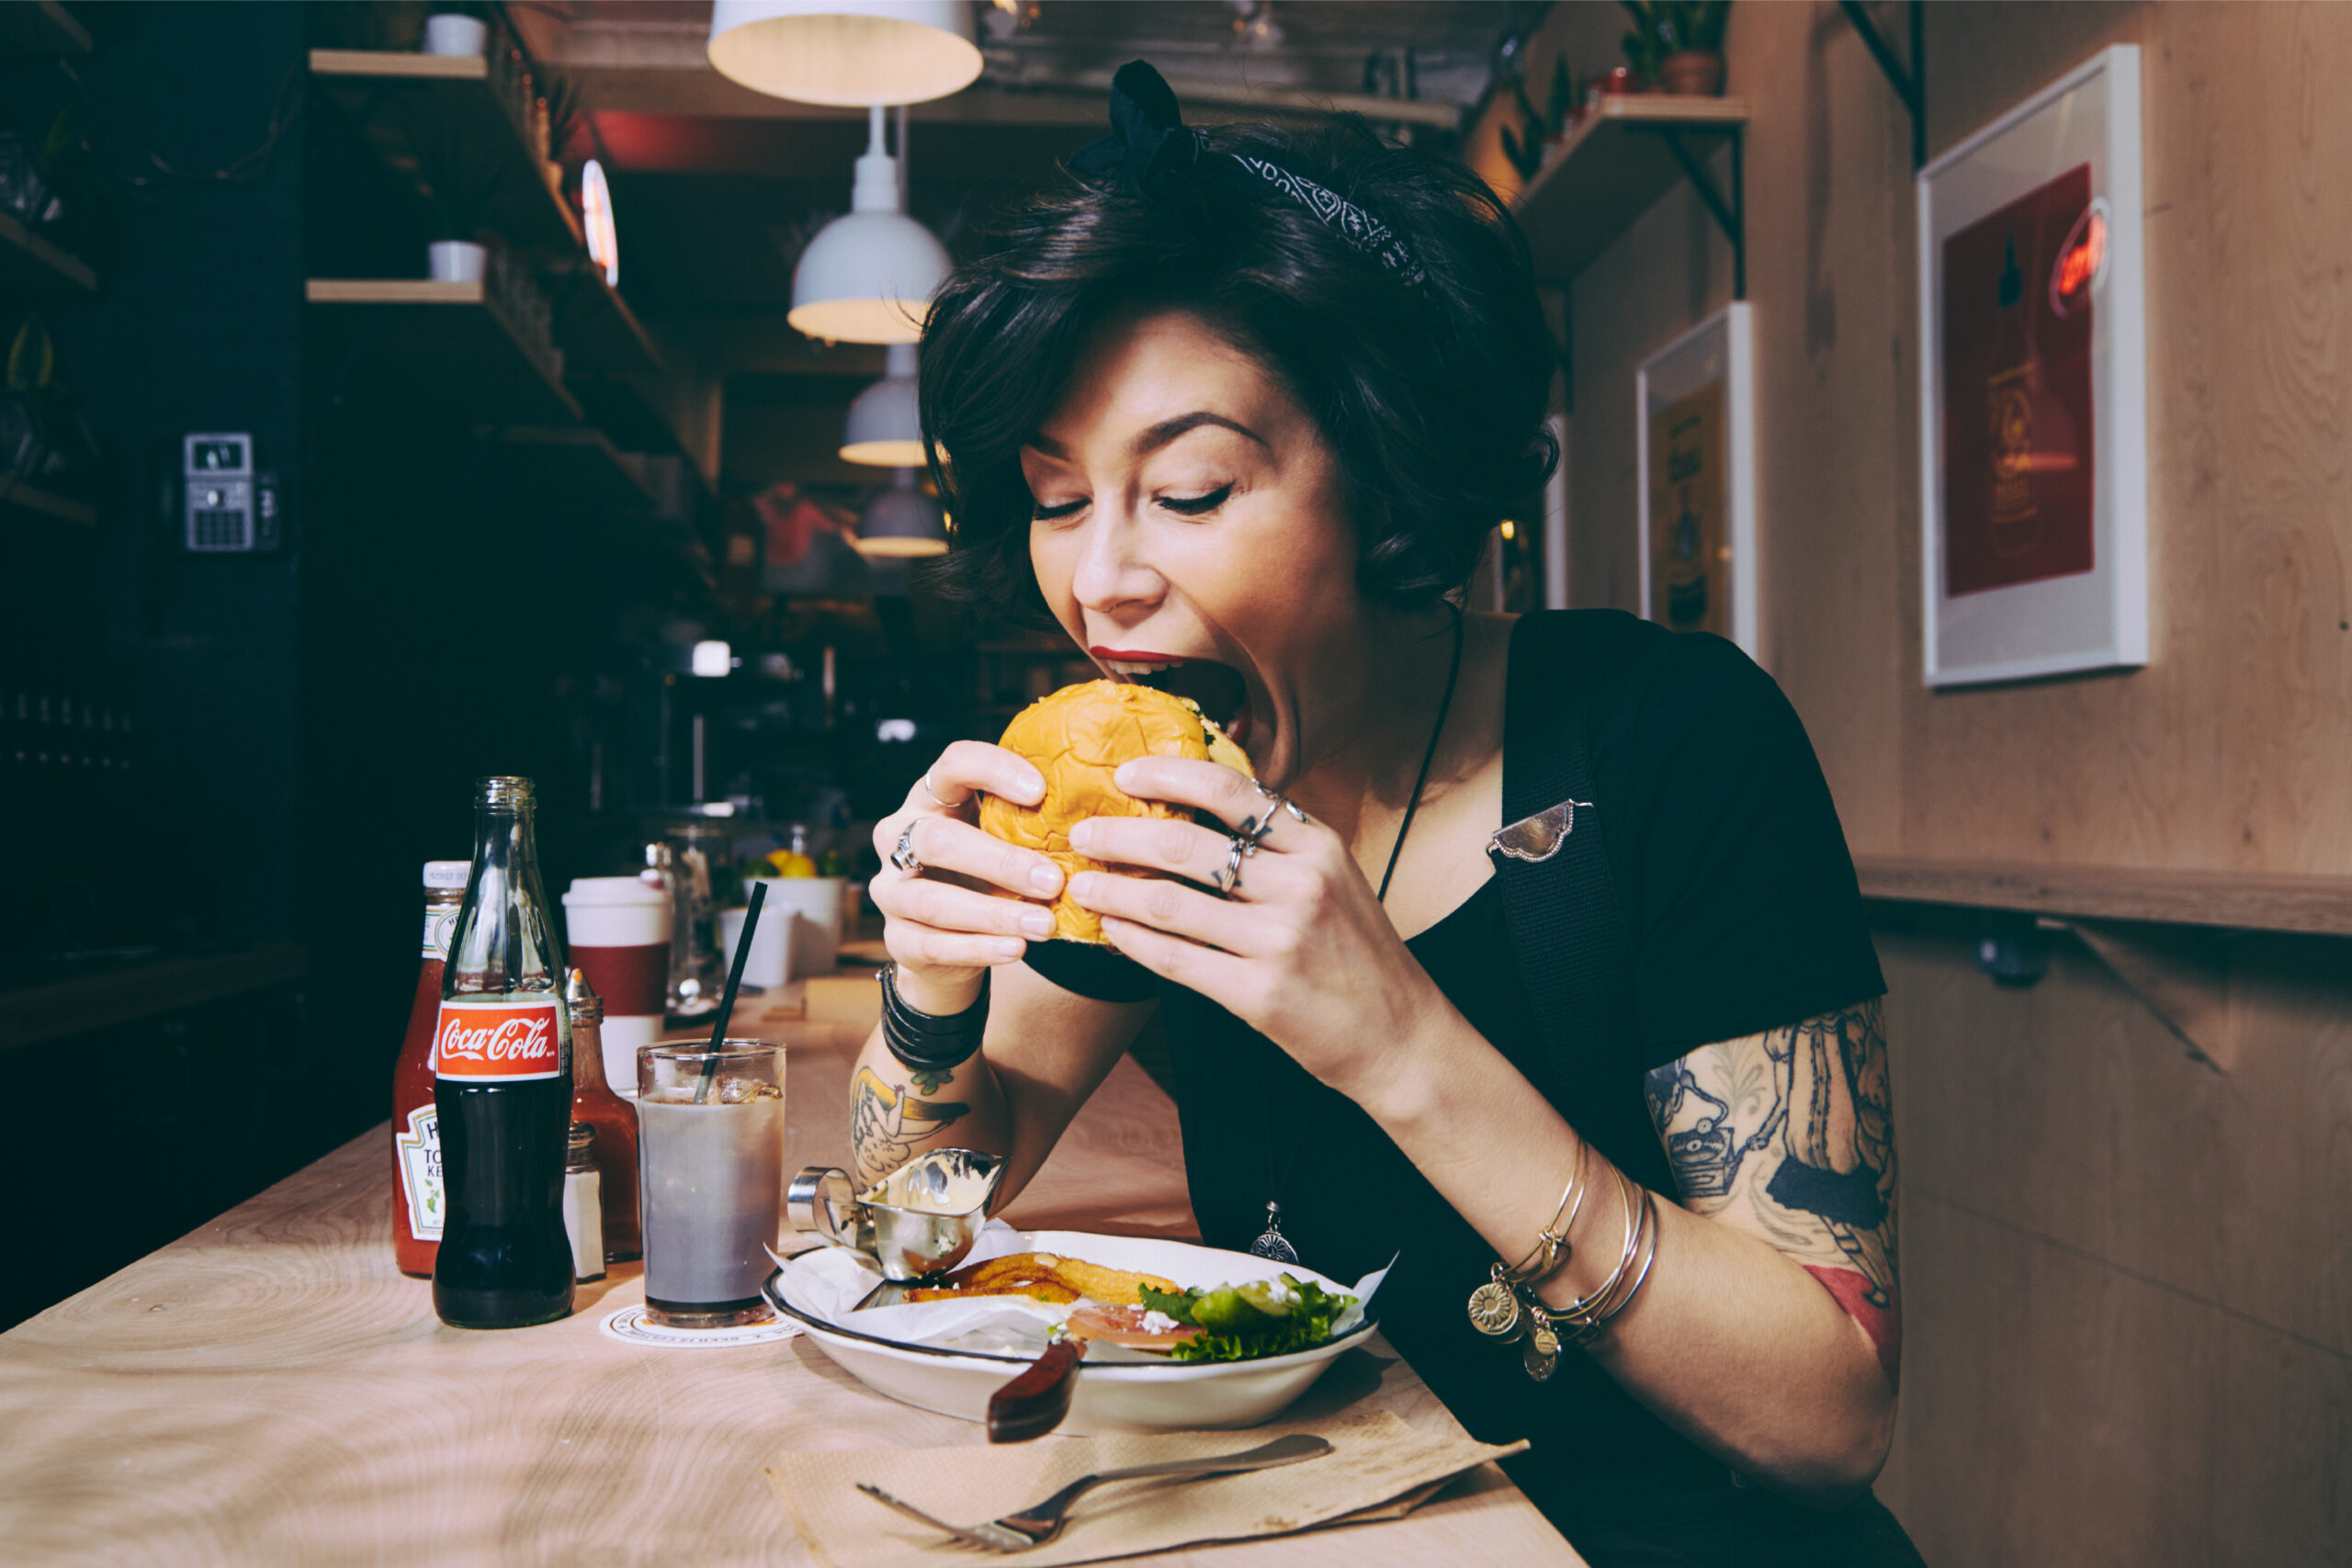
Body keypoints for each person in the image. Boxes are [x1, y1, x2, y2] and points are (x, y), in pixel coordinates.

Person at [850, 62, 1921, 1567]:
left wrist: (1398, 1042)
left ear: (1388, 479)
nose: (1099, 581)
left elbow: (1831, 1422)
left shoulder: (1671, 739)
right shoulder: (1163, 801)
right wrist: (928, 993)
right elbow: (919, 1230)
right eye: (1054, 497)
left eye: (1196, 489)